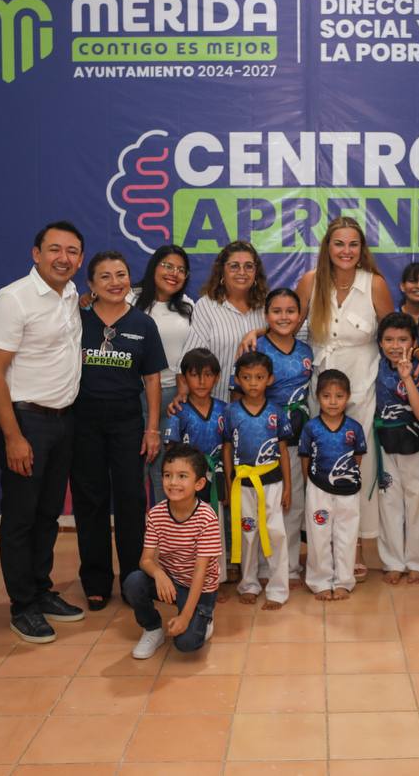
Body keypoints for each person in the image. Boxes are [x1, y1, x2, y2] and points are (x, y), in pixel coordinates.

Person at [0, 221, 86, 644]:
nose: (64, 258)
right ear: (36, 253)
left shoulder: (72, 294)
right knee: (21, 517)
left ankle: (41, 590)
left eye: (72, 251)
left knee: (48, 514)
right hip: (26, 421)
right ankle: (22, 605)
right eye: (55, 249)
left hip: (64, 420)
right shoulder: (14, 298)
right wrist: (13, 436)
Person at [293, 216, 406, 579]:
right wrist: (258, 334)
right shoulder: (310, 281)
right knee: (319, 462)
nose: (346, 251)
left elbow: (395, 332)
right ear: (327, 247)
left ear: (362, 249)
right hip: (319, 388)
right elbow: (287, 323)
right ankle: (321, 545)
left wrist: (415, 354)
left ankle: (354, 545)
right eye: (339, 243)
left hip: (362, 388)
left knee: (358, 465)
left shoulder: (375, 283)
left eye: (353, 244)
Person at [70, 252, 167, 612]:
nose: (115, 282)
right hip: (83, 421)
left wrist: (152, 429)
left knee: (131, 500)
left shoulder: (143, 324)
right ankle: (96, 581)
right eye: (105, 276)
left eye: (121, 274)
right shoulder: (76, 319)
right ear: (91, 284)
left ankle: (132, 579)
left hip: (128, 421)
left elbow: (152, 379)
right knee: (90, 500)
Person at [124, 443, 222, 659]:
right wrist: (159, 574)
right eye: (168, 475)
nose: (173, 482)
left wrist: (185, 618)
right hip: (172, 581)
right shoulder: (156, 513)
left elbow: (200, 572)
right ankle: (152, 629)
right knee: (133, 582)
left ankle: (204, 616)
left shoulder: (207, 518)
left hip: (200, 587)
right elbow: (145, 560)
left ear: (199, 483)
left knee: (186, 644)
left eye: (182, 476)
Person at [248, 289, 313, 587]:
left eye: (290, 311)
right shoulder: (255, 348)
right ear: (266, 315)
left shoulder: (307, 350)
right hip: (263, 437)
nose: (284, 317)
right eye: (276, 311)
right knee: (265, 504)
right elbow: (240, 394)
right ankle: (264, 567)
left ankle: (289, 567)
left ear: (300, 317)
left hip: (298, 436)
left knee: (293, 502)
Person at [223, 351, 293, 608]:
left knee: (276, 533)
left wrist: (287, 487)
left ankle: (278, 589)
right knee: (247, 533)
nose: (253, 383)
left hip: (272, 481)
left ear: (270, 379)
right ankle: (249, 584)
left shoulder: (276, 412)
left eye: (259, 377)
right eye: (247, 377)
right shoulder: (231, 412)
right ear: (237, 379)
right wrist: (229, 482)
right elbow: (227, 448)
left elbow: (283, 450)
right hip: (242, 482)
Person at [131, 244, 194, 505]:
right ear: (153, 266)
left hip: (171, 400)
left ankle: (163, 529)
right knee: (132, 472)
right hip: (132, 398)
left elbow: (192, 353)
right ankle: (136, 530)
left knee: (165, 474)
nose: (173, 273)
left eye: (181, 269)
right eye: (167, 266)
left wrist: (184, 385)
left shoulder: (188, 307)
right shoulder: (129, 299)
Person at [163, 348, 230, 589]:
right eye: (194, 375)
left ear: (217, 377)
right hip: (188, 480)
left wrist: (228, 481)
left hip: (216, 476)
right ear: (183, 378)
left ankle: (214, 580)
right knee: (189, 529)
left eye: (208, 375)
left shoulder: (224, 410)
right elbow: (171, 452)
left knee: (214, 528)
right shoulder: (178, 412)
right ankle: (186, 579)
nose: (201, 381)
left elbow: (228, 447)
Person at [374, 312, 419, 584]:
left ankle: (418, 562)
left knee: (416, 501)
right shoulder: (375, 365)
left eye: (402, 340)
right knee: (389, 502)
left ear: (414, 342)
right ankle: (393, 561)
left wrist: (407, 378)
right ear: (379, 343)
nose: (395, 346)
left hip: (414, 441)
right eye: (389, 340)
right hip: (384, 442)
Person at [301, 369, 367, 600]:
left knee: (346, 535)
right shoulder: (311, 428)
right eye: (326, 396)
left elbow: (358, 457)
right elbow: (305, 458)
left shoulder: (354, 428)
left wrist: (348, 478)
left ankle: (343, 581)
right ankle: (319, 581)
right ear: (318, 397)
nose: (332, 402)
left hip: (348, 490)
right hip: (318, 488)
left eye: (339, 396)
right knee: (318, 535)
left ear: (347, 397)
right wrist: (311, 484)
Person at [179, 241, 268, 404]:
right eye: (234, 266)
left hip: (259, 409)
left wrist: (258, 332)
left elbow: (286, 333)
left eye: (249, 266)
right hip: (217, 406)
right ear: (222, 271)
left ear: (256, 272)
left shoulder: (267, 307)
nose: (242, 272)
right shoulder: (207, 306)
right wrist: (183, 396)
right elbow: (192, 360)